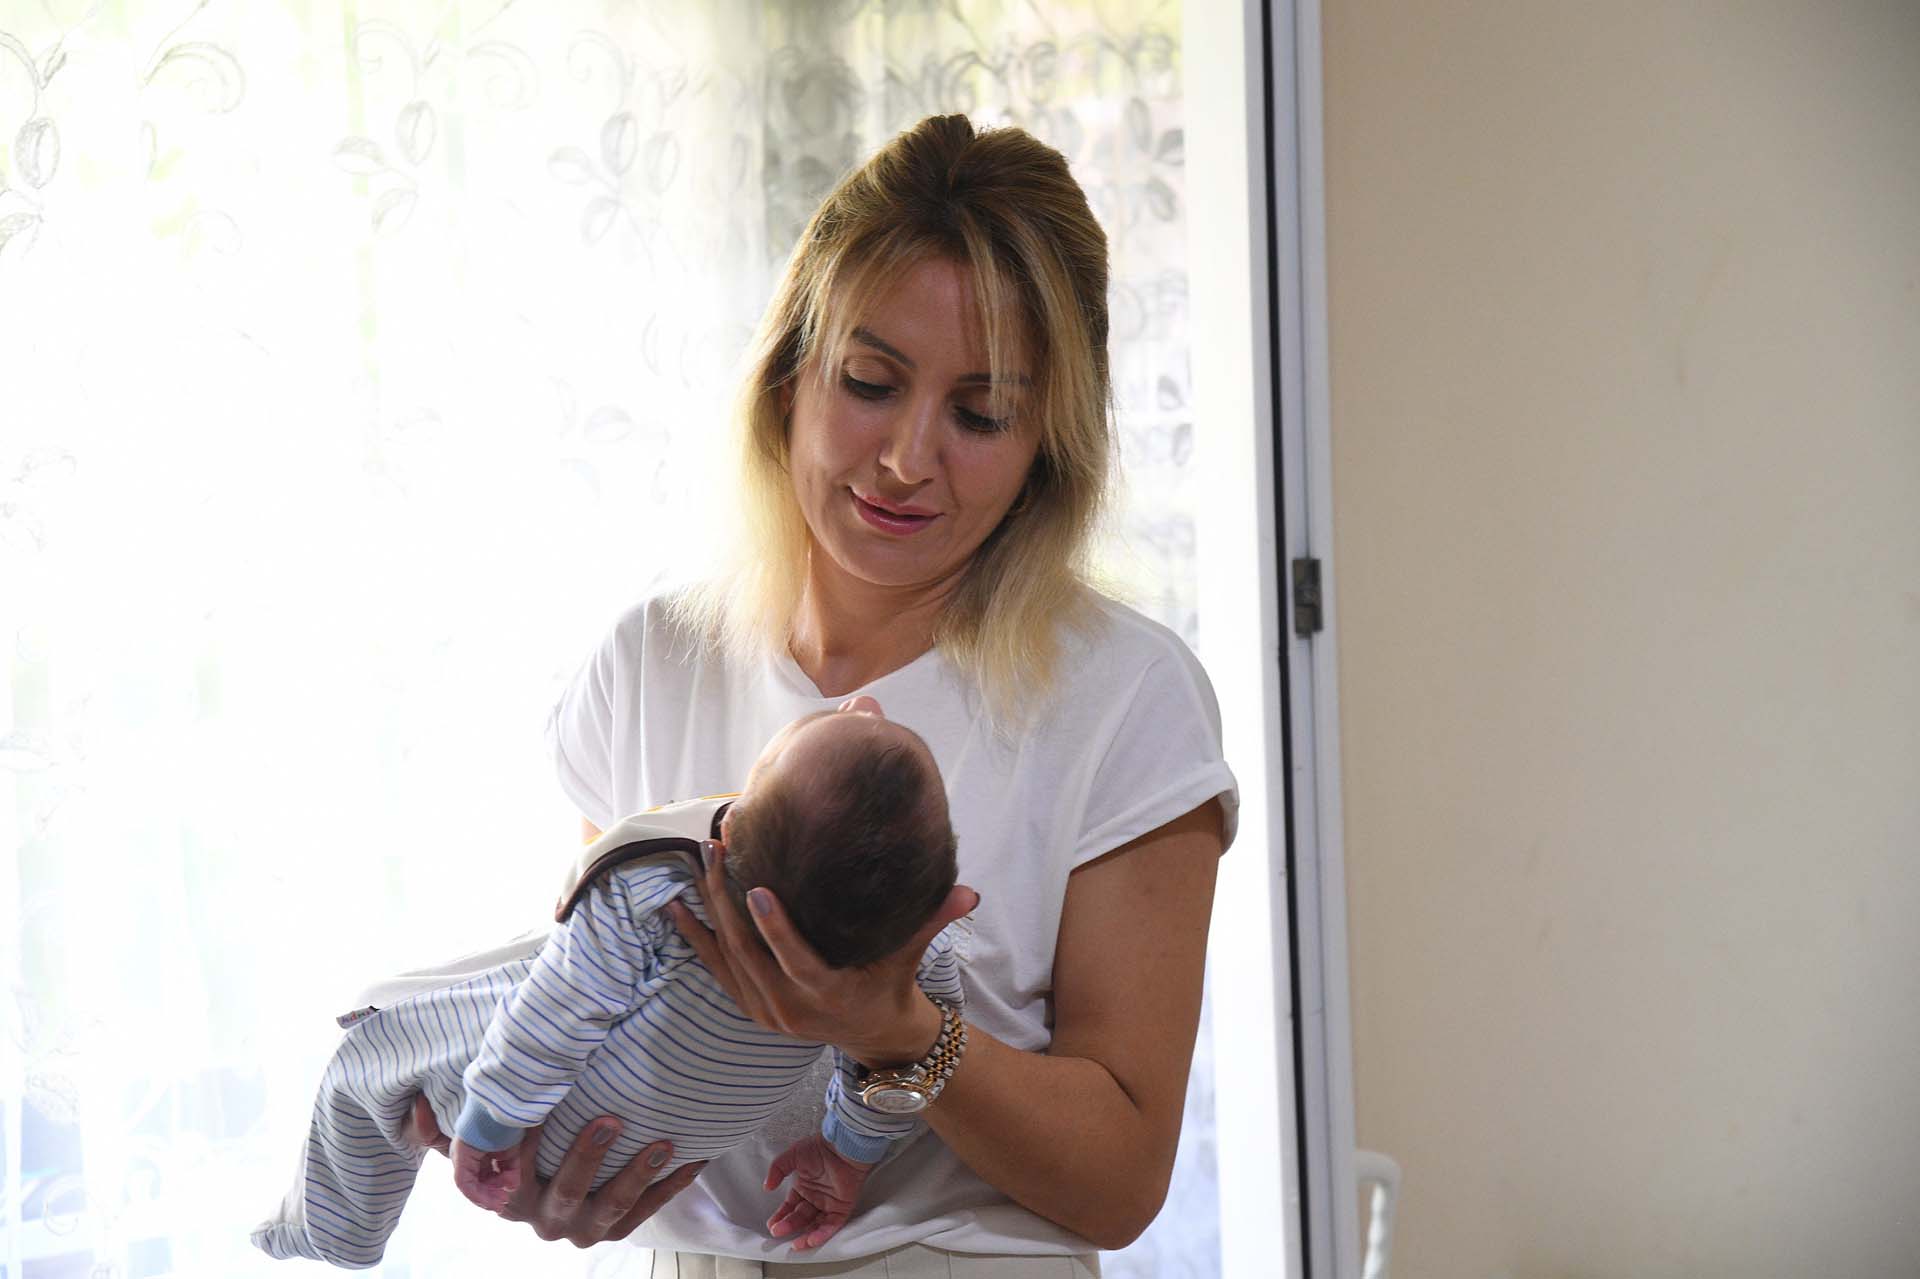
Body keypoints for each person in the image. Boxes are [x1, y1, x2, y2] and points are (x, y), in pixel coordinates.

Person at [419, 112, 1239, 1276]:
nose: (906, 457)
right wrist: (543, 1154)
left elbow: (1120, 1182)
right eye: (869, 382)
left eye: (980, 414)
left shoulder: (1125, 698)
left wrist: (898, 1031)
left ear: (1044, 447)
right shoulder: (651, 660)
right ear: (791, 372)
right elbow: (599, 1009)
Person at [253, 702, 965, 1269]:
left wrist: (491, 1126)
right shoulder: (906, 957)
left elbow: (561, 1009)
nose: (864, 704)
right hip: (656, 1157)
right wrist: (846, 1153)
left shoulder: (658, 883)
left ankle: (336, 1229)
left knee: (376, 1043)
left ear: (732, 826)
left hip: (543, 1122)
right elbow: (905, 1061)